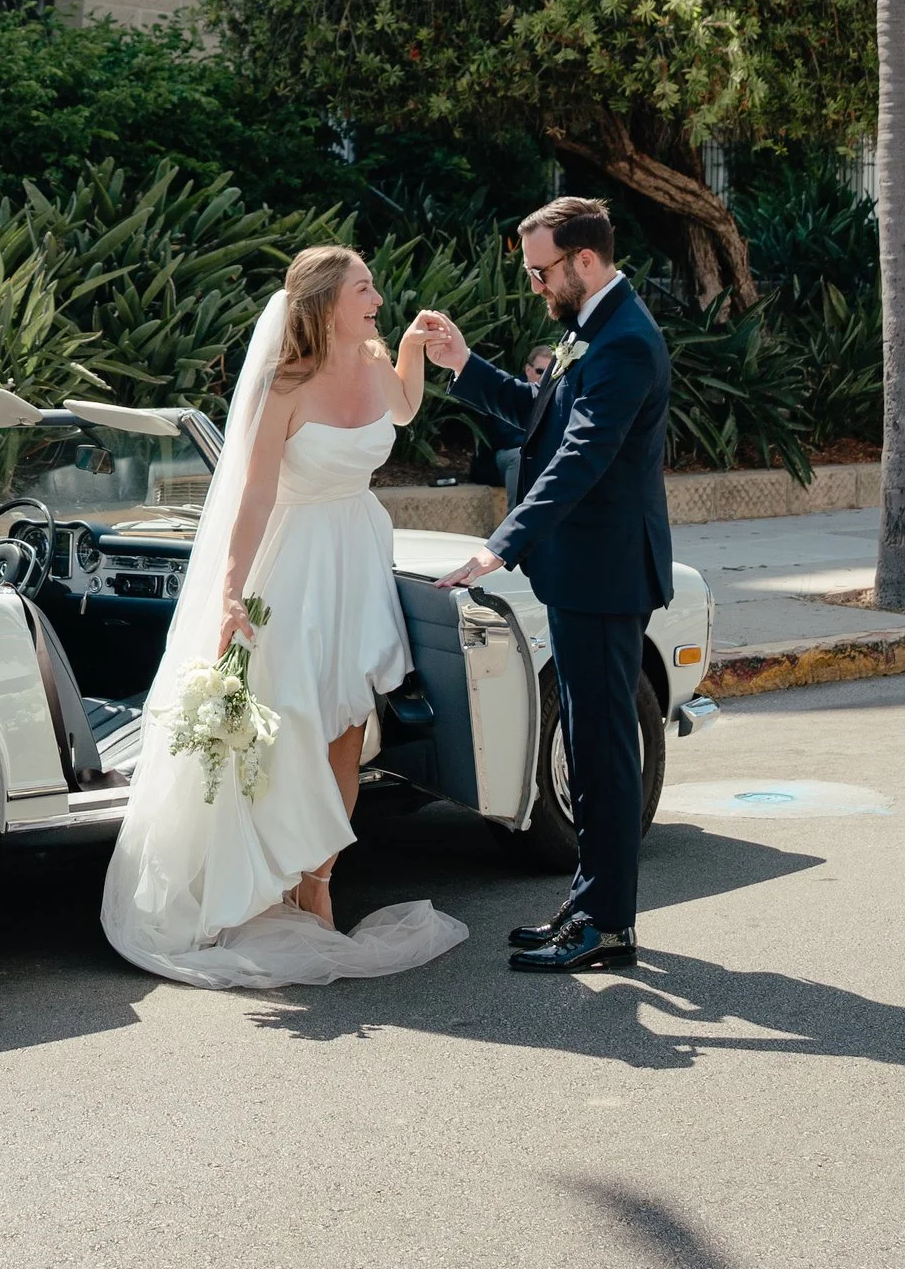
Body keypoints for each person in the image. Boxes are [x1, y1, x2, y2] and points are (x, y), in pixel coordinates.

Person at [100, 245, 470, 991]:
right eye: (363, 288)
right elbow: (254, 495)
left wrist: (406, 352)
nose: (376, 295)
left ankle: (320, 877)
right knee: (291, 720)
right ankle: (265, 878)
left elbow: (402, 407)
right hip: (296, 563)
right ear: (326, 302)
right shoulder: (285, 383)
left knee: (346, 725)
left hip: (358, 553)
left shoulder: (371, 357)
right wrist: (233, 590)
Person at [418, 194, 672, 977]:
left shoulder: (625, 341)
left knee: (600, 753)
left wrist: (501, 547)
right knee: (587, 746)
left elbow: (581, 458)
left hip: (603, 576)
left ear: (583, 261)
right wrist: (465, 367)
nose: (534, 285)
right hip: (578, 574)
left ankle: (610, 927)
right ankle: (591, 904)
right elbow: (540, 418)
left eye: (540, 271)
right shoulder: (590, 329)